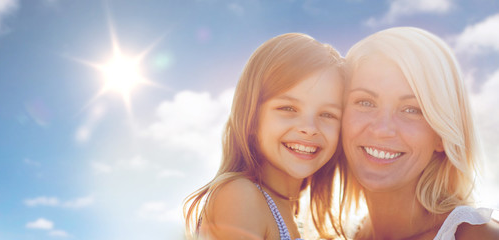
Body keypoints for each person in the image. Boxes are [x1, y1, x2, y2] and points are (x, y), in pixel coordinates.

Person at [338, 27, 499, 239]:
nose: (382, 129)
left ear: (442, 136)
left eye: (411, 110)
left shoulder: (478, 236)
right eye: (366, 102)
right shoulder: (348, 233)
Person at [183, 33, 345, 239]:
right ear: (251, 117)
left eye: (327, 114)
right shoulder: (240, 196)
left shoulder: (289, 213)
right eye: (288, 108)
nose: (309, 128)